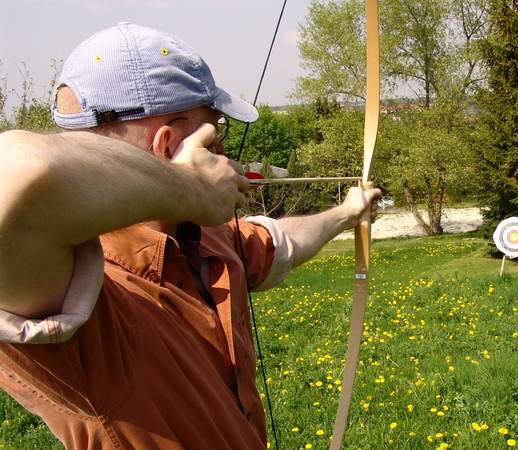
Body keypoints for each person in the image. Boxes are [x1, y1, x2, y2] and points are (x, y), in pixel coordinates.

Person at [0, 22, 380, 449]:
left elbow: (279, 243)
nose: (225, 156)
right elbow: (16, 176)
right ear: (167, 147)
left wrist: (347, 213)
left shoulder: (204, 239)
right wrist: (186, 185)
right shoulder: (74, 293)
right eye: (215, 137)